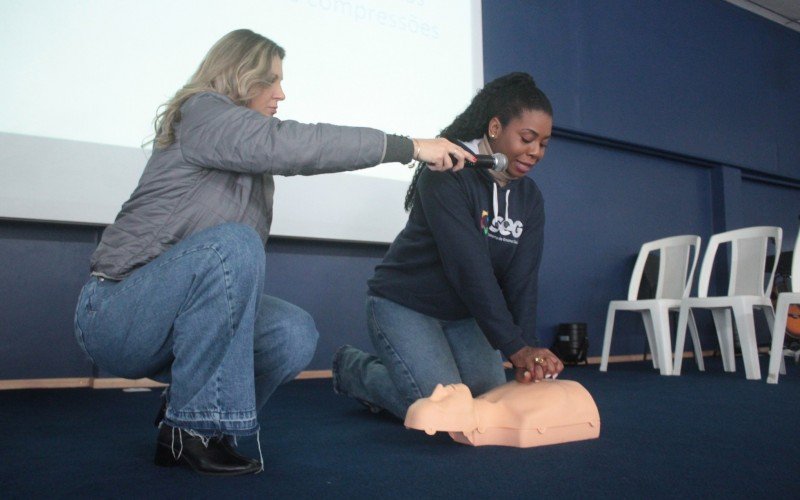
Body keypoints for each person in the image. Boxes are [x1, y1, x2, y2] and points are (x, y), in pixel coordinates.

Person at [72, 28, 474, 476]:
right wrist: (411, 147)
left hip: (172, 323)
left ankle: (187, 424)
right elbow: (298, 145)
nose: (282, 94)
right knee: (234, 243)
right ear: (240, 76)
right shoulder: (202, 113)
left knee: (291, 332)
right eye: (272, 80)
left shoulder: (251, 169)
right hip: (117, 313)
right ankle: (195, 429)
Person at [332, 72, 565, 420]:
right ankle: (357, 372)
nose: (535, 152)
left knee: (488, 403)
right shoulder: (447, 172)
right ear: (496, 128)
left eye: (543, 144)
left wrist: (527, 346)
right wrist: (514, 348)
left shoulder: (529, 198)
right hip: (407, 306)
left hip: (463, 316)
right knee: (449, 414)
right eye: (527, 138)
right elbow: (468, 268)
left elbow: (522, 280)